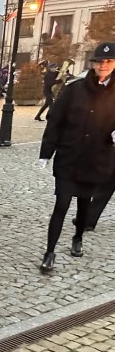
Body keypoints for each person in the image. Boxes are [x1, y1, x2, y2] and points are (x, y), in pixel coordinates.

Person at [38, 42, 115, 272]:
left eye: (108, 61)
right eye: (99, 62)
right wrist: (46, 152)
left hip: (95, 159)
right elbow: (55, 121)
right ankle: (49, 252)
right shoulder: (74, 89)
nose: (103, 65)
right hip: (69, 157)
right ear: (93, 64)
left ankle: (78, 237)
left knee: (83, 205)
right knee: (61, 204)